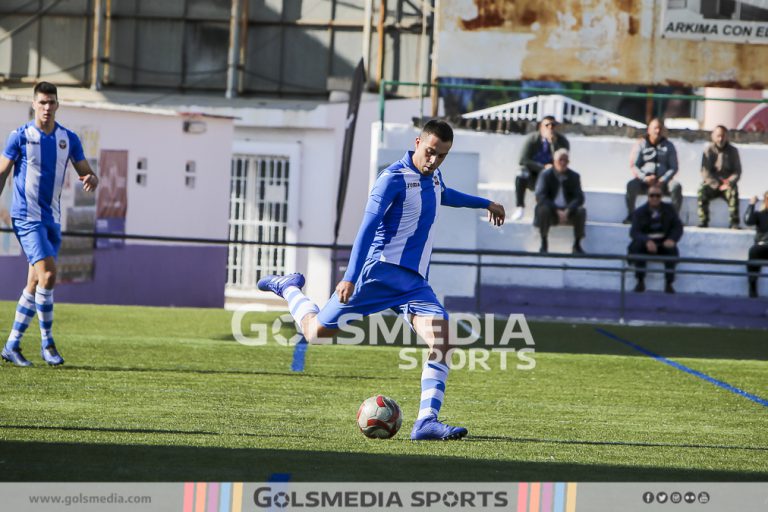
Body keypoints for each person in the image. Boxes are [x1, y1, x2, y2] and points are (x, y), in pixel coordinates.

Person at [257, 120, 505, 441]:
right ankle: (290, 287)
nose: (433, 161)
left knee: (443, 340)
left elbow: (444, 194)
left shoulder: (434, 176)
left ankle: (426, 422)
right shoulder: (391, 179)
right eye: (430, 152)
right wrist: (349, 276)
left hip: (414, 284)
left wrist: (485, 203)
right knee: (315, 332)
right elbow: (367, 227)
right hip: (377, 275)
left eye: (441, 156)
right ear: (417, 143)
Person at [0, 82, 99, 367]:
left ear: (57, 105)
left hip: (52, 219)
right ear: (34, 104)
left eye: (51, 102)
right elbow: (2, 173)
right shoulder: (19, 136)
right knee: (49, 275)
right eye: (42, 102)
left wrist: (92, 178)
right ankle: (48, 343)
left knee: (34, 282)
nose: (46, 107)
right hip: (26, 217)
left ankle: (11, 346)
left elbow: (87, 173)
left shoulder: (68, 138)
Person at [511, 115, 569, 221]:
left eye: (553, 125)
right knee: (521, 172)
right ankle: (520, 207)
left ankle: (543, 209)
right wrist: (542, 167)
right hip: (533, 175)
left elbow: (562, 161)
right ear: (541, 127)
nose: (550, 128)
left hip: (551, 176)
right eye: (547, 125)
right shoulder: (532, 139)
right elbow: (523, 160)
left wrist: (553, 144)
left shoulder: (562, 141)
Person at [624, 118, 682, 223]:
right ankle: (631, 216)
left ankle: (674, 218)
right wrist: (644, 178)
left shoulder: (669, 146)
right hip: (644, 181)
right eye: (655, 128)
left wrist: (663, 180)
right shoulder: (641, 144)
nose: (658, 131)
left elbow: (674, 167)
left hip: (663, 182)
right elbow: (634, 166)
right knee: (631, 185)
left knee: (676, 186)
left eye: (660, 128)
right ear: (649, 130)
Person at [628, 185, 683, 294]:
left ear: (661, 197)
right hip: (646, 243)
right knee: (638, 248)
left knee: (672, 251)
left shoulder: (669, 209)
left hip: (663, 242)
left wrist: (672, 239)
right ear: (648, 196)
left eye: (657, 195)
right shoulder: (639, 212)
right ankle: (640, 281)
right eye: (652, 195)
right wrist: (646, 240)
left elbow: (677, 227)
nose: (655, 198)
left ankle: (669, 284)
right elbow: (634, 232)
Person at [533, 148, 586, 254]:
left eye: (565, 160)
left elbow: (579, 197)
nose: (563, 163)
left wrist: (568, 210)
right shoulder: (546, 175)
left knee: (581, 211)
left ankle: (577, 244)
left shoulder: (574, 176)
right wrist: (556, 210)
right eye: (560, 160)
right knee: (543, 209)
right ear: (554, 161)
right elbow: (540, 196)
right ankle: (544, 242)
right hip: (551, 210)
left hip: (567, 211)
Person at [698, 125, 741, 229]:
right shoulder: (708, 150)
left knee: (734, 191)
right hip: (712, 184)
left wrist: (729, 182)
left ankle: (734, 222)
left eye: (723, 136)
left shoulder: (733, 151)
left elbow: (737, 171)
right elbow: (705, 172)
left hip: (727, 184)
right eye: (718, 136)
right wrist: (715, 184)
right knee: (701, 190)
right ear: (713, 136)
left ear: (727, 137)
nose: (720, 139)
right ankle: (703, 221)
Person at [744, 192, 768, 298]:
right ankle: (752, 288)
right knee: (754, 251)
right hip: (763, 246)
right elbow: (748, 221)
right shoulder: (760, 214)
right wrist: (751, 204)